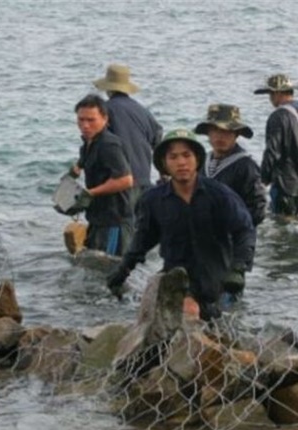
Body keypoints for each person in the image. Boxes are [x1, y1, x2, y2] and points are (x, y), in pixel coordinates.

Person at [106, 129, 256, 321]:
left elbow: (244, 230)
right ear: (164, 163)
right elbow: (143, 239)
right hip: (177, 279)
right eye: (173, 157)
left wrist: (239, 267)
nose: (181, 162)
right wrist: (123, 270)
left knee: (222, 328)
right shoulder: (153, 201)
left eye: (187, 155)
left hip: (218, 280)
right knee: (185, 314)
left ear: (197, 159)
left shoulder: (220, 195)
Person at [66, 94, 134, 256]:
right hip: (97, 219)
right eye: (81, 120)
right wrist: (72, 174)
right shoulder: (87, 144)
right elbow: (80, 165)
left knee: (111, 265)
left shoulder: (109, 144)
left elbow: (125, 180)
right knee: (93, 265)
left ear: (104, 119)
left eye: (91, 120)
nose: (85, 125)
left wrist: (90, 193)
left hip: (114, 222)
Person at [93, 64, 163, 203]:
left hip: (120, 184)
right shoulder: (143, 111)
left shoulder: (105, 111)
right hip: (144, 182)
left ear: (108, 89)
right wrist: (164, 175)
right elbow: (159, 144)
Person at [254, 74, 298, 216]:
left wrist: (263, 180)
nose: (270, 99)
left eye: (270, 94)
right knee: (295, 219)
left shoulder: (278, 117)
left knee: (281, 221)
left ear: (278, 93)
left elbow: (272, 151)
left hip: (284, 184)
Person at [194, 104, 267, 226]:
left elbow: (258, 209)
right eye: (215, 130)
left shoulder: (246, 166)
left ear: (236, 134)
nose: (220, 136)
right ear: (208, 132)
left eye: (226, 131)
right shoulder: (201, 162)